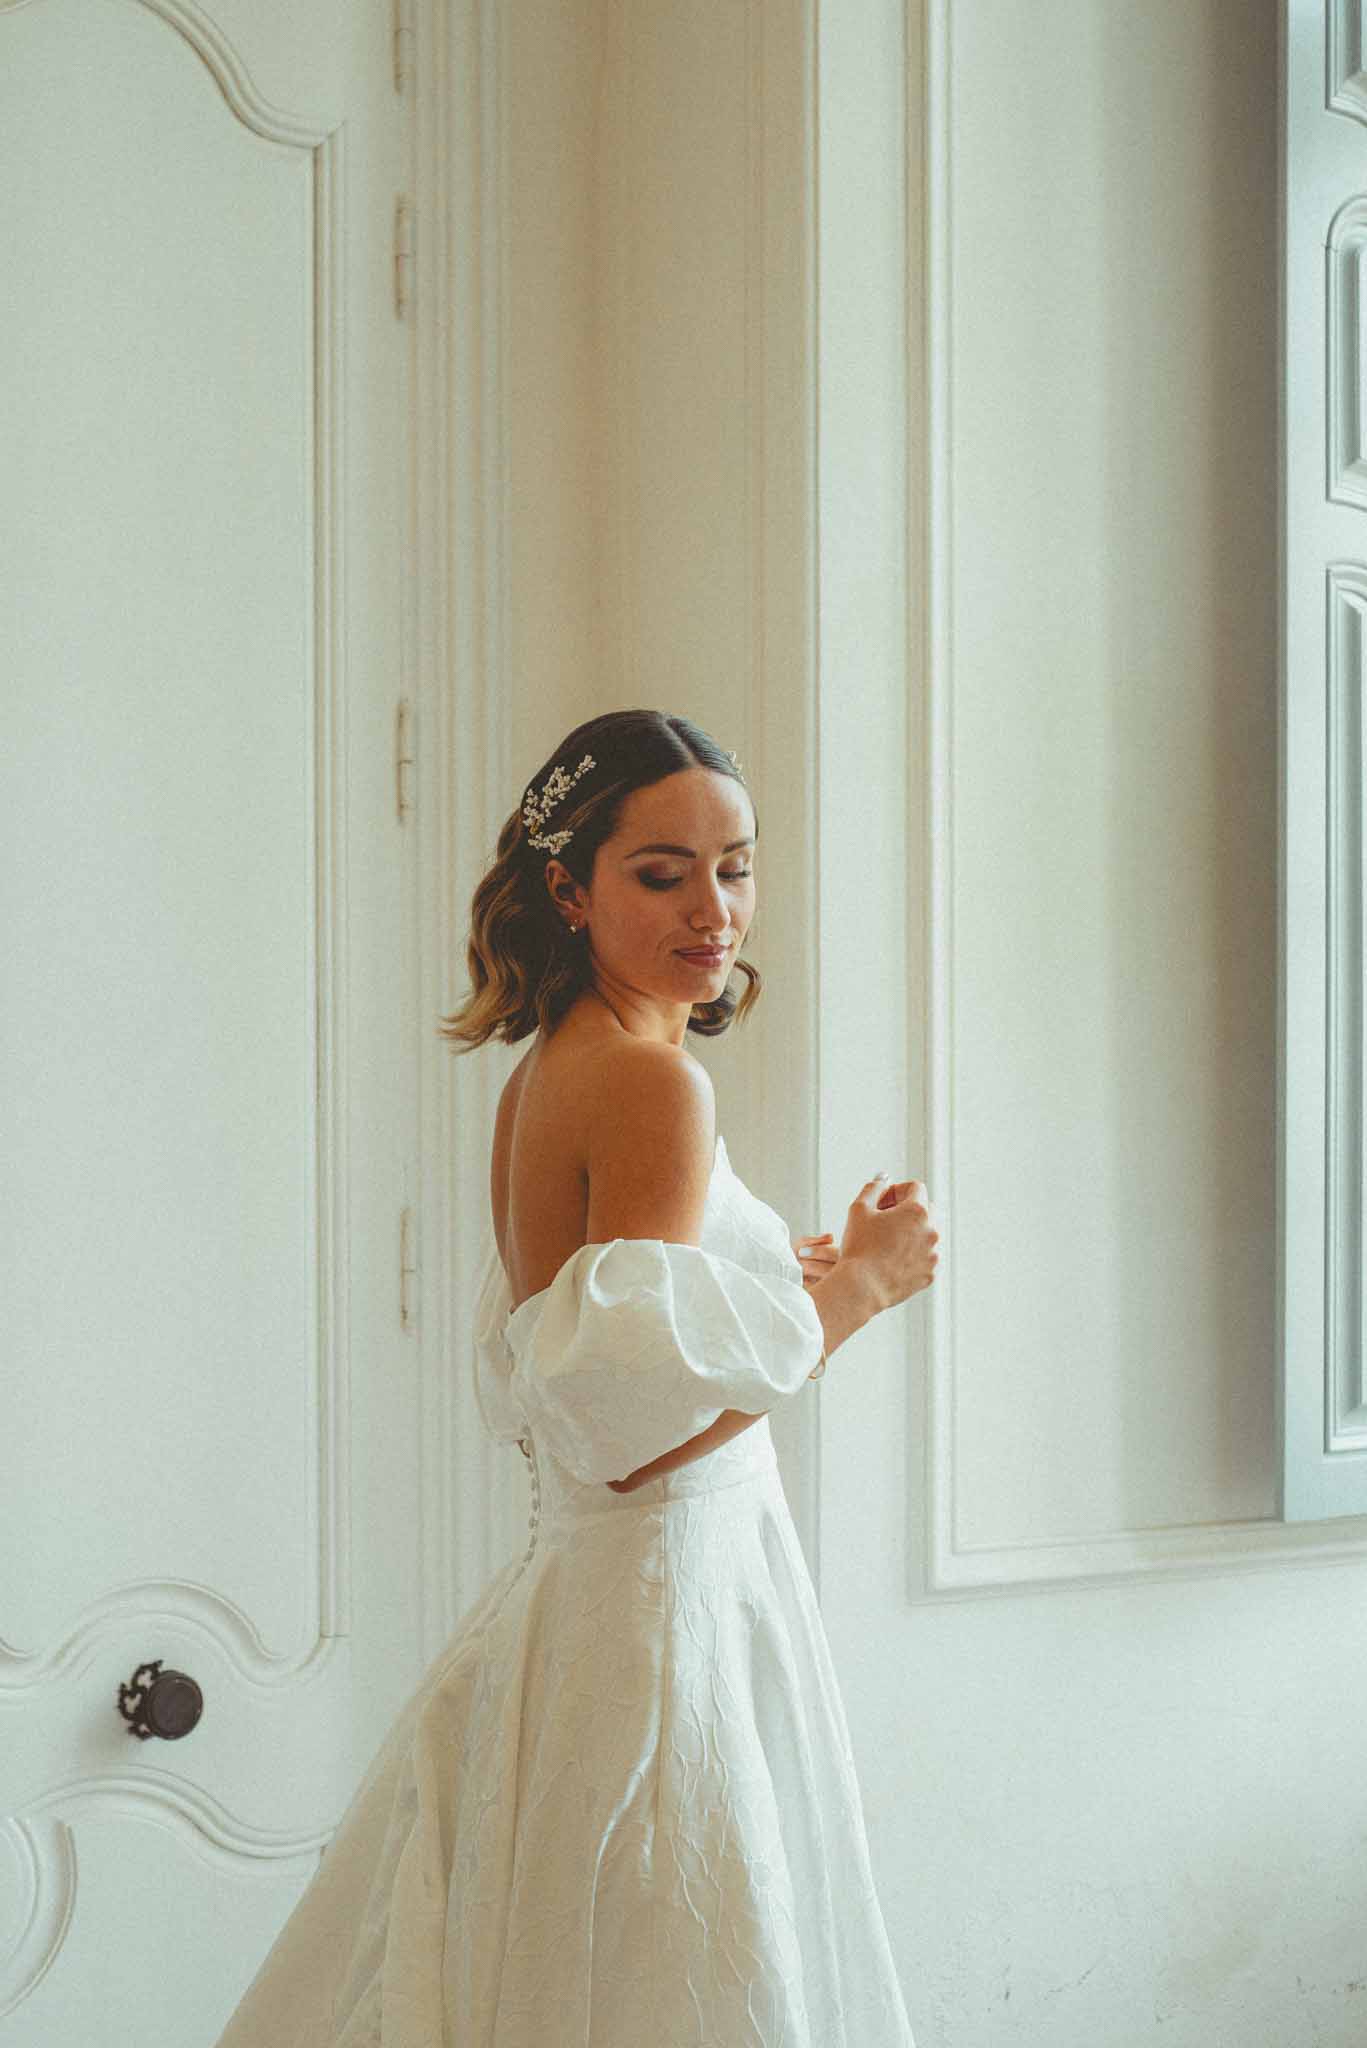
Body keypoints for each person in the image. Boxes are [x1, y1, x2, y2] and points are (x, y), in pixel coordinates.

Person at [211, 708, 938, 2046]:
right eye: (662, 872)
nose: (714, 908)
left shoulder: (567, 1064)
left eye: (736, 866)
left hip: (616, 1600)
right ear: (570, 888)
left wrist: (778, 1284)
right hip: (663, 1615)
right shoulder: (657, 1088)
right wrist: (857, 1291)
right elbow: (633, 1437)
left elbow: (605, 1354)